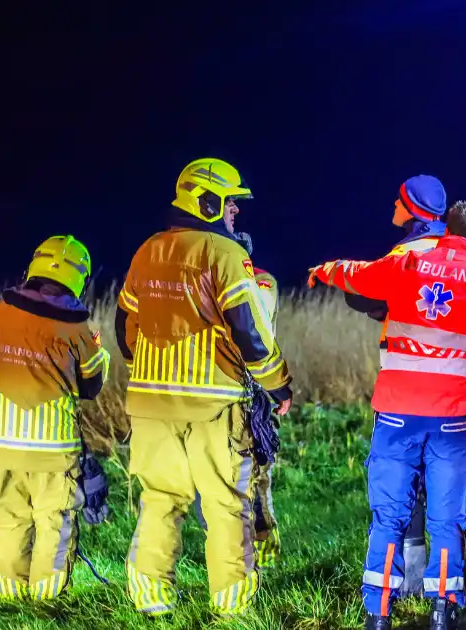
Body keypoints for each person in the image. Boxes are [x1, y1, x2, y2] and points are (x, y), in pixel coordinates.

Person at [309, 201, 466, 630]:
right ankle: (442, 609)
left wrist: (324, 269)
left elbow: (360, 274)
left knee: (388, 515)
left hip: (395, 416)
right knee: (446, 518)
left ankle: (377, 612)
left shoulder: (407, 262)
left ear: (447, 229)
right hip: (455, 419)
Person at [117, 157, 293, 617]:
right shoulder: (226, 254)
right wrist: (279, 386)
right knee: (224, 505)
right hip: (214, 406)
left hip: (150, 406)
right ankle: (232, 608)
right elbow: (250, 332)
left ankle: (151, 602)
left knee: (159, 500)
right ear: (209, 200)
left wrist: (156, 370)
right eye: (231, 203)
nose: (236, 211)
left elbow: (124, 329)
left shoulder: (146, 250)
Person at [0, 235, 112, 601]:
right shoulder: (78, 329)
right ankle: (44, 602)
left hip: (0, 444)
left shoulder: (2, 313)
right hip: (52, 450)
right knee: (54, 523)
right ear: (77, 278)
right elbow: (91, 385)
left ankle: (9, 597)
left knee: (9, 521)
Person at [342, 174, 449, 597]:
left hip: (405, 394)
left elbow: (363, 293)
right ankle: (437, 584)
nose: (393, 204)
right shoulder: (453, 251)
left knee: (399, 488)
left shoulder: (404, 253)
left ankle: (400, 583)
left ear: (414, 209)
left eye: (399, 200)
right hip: (449, 393)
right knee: (440, 488)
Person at [192, 230, 284, 569]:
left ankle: (260, 545)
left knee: (256, 473)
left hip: (249, 389)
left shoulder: (261, 284)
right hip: (217, 392)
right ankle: (232, 548)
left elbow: (256, 327)